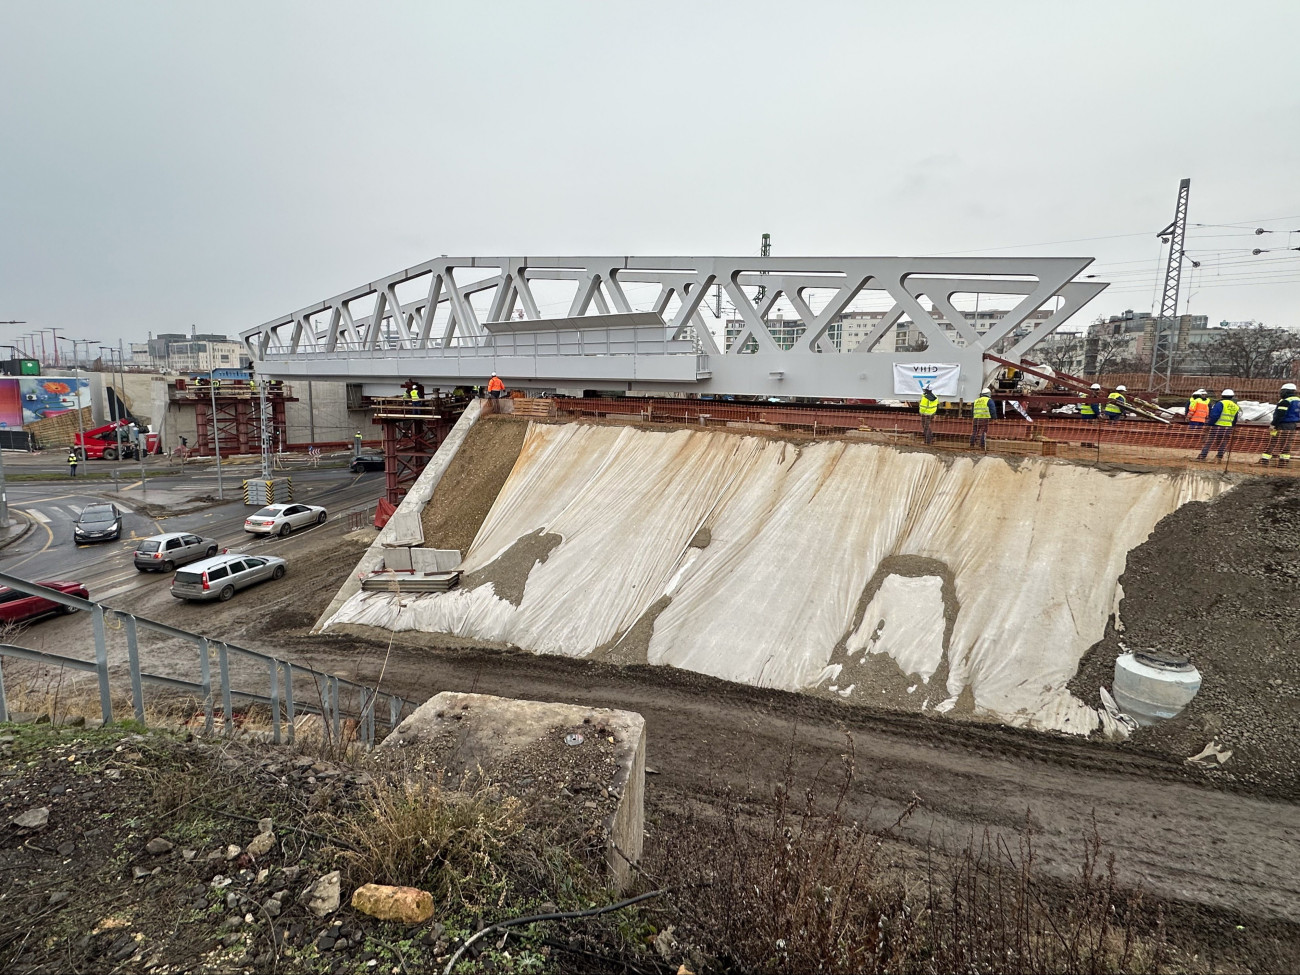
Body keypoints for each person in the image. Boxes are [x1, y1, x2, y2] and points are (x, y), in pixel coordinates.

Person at [1260, 381, 1300, 467]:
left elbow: (1280, 414)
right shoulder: (1298, 400)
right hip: (1292, 425)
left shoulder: (1285, 401)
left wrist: (1273, 425)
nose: (1280, 393)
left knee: (1272, 441)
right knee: (1287, 442)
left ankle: (1265, 460)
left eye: (1282, 391)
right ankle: (1283, 462)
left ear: (1286, 391)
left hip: (1281, 425)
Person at [1197, 389, 1239, 461]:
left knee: (1209, 441)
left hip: (1217, 426)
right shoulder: (1235, 406)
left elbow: (1215, 415)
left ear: (1222, 396)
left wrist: (1210, 424)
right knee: (1224, 442)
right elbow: (1235, 419)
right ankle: (1219, 457)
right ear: (1232, 396)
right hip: (1228, 427)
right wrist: (1232, 426)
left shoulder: (1220, 403)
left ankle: (1202, 456)